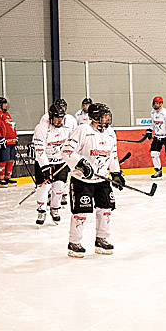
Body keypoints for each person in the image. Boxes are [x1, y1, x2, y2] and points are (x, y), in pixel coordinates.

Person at [62, 102, 125, 257]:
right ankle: (74, 242)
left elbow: (113, 155)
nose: (107, 118)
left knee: (106, 209)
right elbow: (67, 151)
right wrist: (80, 163)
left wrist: (116, 173)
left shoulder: (110, 133)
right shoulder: (83, 130)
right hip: (82, 180)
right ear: (95, 117)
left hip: (102, 179)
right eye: (104, 115)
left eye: (108, 115)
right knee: (81, 212)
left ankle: (101, 239)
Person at [31, 102, 73, 226]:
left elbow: (72, 142)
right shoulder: (42, 128)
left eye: (61, 117)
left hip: (61, 161)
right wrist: (45, 167)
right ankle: (41, 210)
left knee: (59, 186)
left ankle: (55, 208)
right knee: (44, 186)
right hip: (44, 161)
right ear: (51, 117)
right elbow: (39, 151)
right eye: (56, 117)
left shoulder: (69, 124)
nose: (59, 120)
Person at [0, 96, 18, 186]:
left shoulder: (7, 114)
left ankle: (7, 177)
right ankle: (1, 178)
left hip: (11, 141)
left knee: (11, 160)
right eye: (4, 103)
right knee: (3, 160)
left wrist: (15, 136)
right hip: (4, 142)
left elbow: (10, 126)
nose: (6, 105)